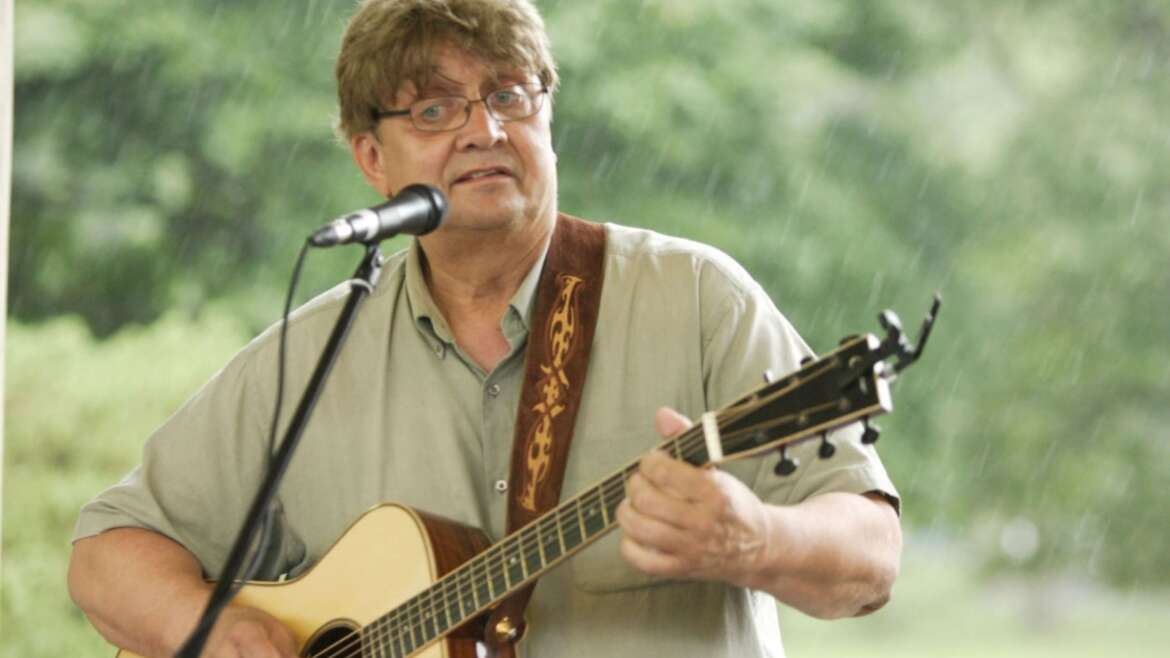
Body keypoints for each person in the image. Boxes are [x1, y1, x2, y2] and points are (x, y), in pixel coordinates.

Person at [68, 1, 902, 657]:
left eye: (509, 94)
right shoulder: (314, 356)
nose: (484, 130)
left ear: (546, 114)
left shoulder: (697, 298)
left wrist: (756, 538)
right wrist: (210, 632)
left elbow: (869, 557)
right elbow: (107, 554)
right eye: (435, 110)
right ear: (370, 158)